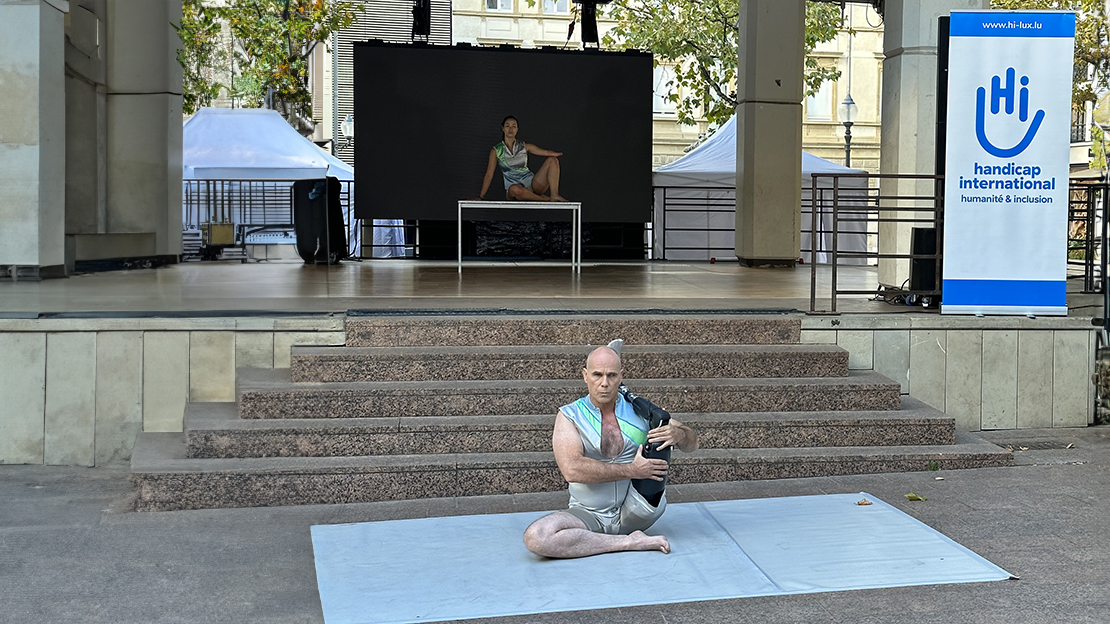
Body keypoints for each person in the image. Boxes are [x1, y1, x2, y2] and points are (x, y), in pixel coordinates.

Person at [522, 345, 699, 558]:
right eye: (597, 375)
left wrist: (679, 435)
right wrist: (632, 470)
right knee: (537, 536)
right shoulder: (569, 415)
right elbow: (572, 470)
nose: (604, 383)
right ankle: (628, 542)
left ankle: (607, 540)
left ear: (621, 376)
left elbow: (692, 445)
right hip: (589, 514)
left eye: (611, 375)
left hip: (639, 510)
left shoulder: (640, 412)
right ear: (585, 376)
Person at [478, 116, 568, 202]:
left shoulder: (524, 146)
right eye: (507, 126)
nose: (510, 129)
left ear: (517, 130)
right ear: (503, 128)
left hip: (532, 184)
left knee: (553, 160)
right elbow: (489, 174)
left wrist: (555, 154)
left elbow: (546, 153)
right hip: (514, 188)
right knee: (515, 189)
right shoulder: (496, 150)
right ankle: (546, 199)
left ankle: (554, 195)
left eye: (514, 126)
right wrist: (480, 197)